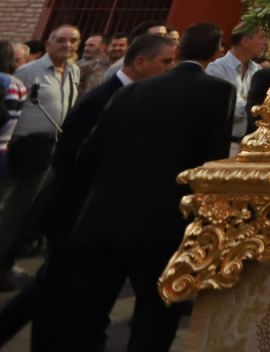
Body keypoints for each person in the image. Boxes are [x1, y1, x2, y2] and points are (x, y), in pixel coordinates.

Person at [64, 21, 234, 352]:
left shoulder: (131, 91)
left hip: (105, 216)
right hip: (164, 223)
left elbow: (87, 155)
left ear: (179, 51)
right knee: (155, 315)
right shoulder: (218, 92)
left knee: (88, 310)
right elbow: (208, 166)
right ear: (217, 53)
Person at [0, 31, 176, 350]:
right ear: (140, 62)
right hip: (73, 212)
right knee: (53, 287)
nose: (170, 69)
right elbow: (69, 155)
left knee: (51, 288)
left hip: (89, 214)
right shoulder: (104, 97)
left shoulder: (129, 95)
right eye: (165, 62)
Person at [0, 26, 81, 270]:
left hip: (49, 149)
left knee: (24, 210)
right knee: (8, 207)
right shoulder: (28, 71)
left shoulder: (74, 71)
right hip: (21, 148)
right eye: (61, 40)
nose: (67, 45)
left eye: (73, 41)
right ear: (48, 44)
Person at [207, 23, 270, 148]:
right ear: (245, 41)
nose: (265, 43)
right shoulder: (217, 68)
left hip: (250, 142)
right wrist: (254, 106)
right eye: (261, 37)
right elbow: (231, 108)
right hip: (224, 142)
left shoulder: (257, 70)